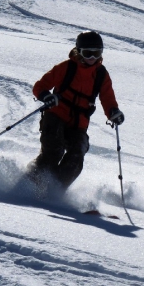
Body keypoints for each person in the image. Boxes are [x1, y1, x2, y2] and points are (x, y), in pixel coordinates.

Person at [29, 31, 124, 190]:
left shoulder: (101, 74)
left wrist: (113, 112)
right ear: (78, 52)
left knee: (77, 153)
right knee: (54, 151)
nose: (92, 58)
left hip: (79, 123)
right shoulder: (66, 67)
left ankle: (55, 190)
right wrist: (46, 96)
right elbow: (40, 87)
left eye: (96, 53)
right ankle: (32, 183)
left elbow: (107, 97)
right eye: (87, 53)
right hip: (56, 115)